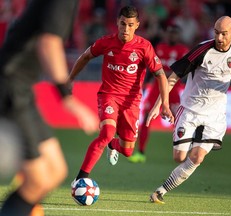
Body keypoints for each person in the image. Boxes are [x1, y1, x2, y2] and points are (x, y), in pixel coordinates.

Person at [0, 1, 99, 216]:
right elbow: (48, 42)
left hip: (22, 88)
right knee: (37, 180)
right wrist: (67, 97)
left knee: (55, 171)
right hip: (9, 85)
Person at [147, 16, 231, 204]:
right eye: (216, 32)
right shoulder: (202, 51)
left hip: (215, 115)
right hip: (190, 110)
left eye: (224, 34)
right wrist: (160, 105)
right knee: (179, 157)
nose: (219, 38)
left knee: (197, 157)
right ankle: (190, 142)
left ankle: (160, 191)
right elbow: (173, 77)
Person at [67, 6, 173, 189]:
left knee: (128, 150)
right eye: (123, 24)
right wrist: (69, 80)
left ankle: (114, 146)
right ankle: (80, 180)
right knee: (106, 133)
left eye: (130, 25)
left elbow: (161, 74)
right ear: (117, 22)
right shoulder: (106, 42)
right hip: (109, 96)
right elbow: (85, 57)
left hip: (131, 102)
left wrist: (165, 103)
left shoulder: (144, 47)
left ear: (137, 25)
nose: (126, 29)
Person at [128, 24, 189, 163]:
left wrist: (165, 74)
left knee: (179, 121)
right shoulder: (160, 47)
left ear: (178, 35)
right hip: (156, 89)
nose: (172, 35)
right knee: (146, 119)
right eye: (170, 33)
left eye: (175, 33)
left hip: (173, 90)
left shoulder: (183, 50)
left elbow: (184, 72)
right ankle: (141, 152)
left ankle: (183, 151)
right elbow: (151, 67)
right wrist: (144, 83)